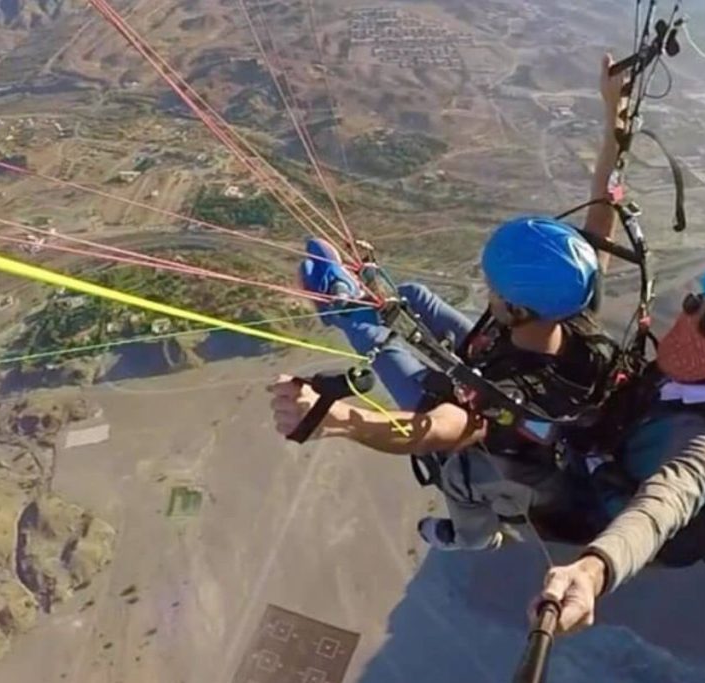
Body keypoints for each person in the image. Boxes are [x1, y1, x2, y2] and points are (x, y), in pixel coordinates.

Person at [269, 55, 630, 553]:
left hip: (498, 443)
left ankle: (470, 537)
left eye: (493, 286)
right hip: (493, 369)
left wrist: (338, 421)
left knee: (379, 342)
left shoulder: (506, 397)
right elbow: (603, 210)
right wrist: (615, 119)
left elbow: (433, 431)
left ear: (518, 308)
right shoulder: (574, 310)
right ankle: (362, 295)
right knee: (412, 298)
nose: (487, 289)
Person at [533, 257, 705, 635]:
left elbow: (660, 507)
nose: (692, 322)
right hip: (608, 449)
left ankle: (470, 529)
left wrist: (593, 571)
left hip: (597, 503)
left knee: (485, 457)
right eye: (695, 305)